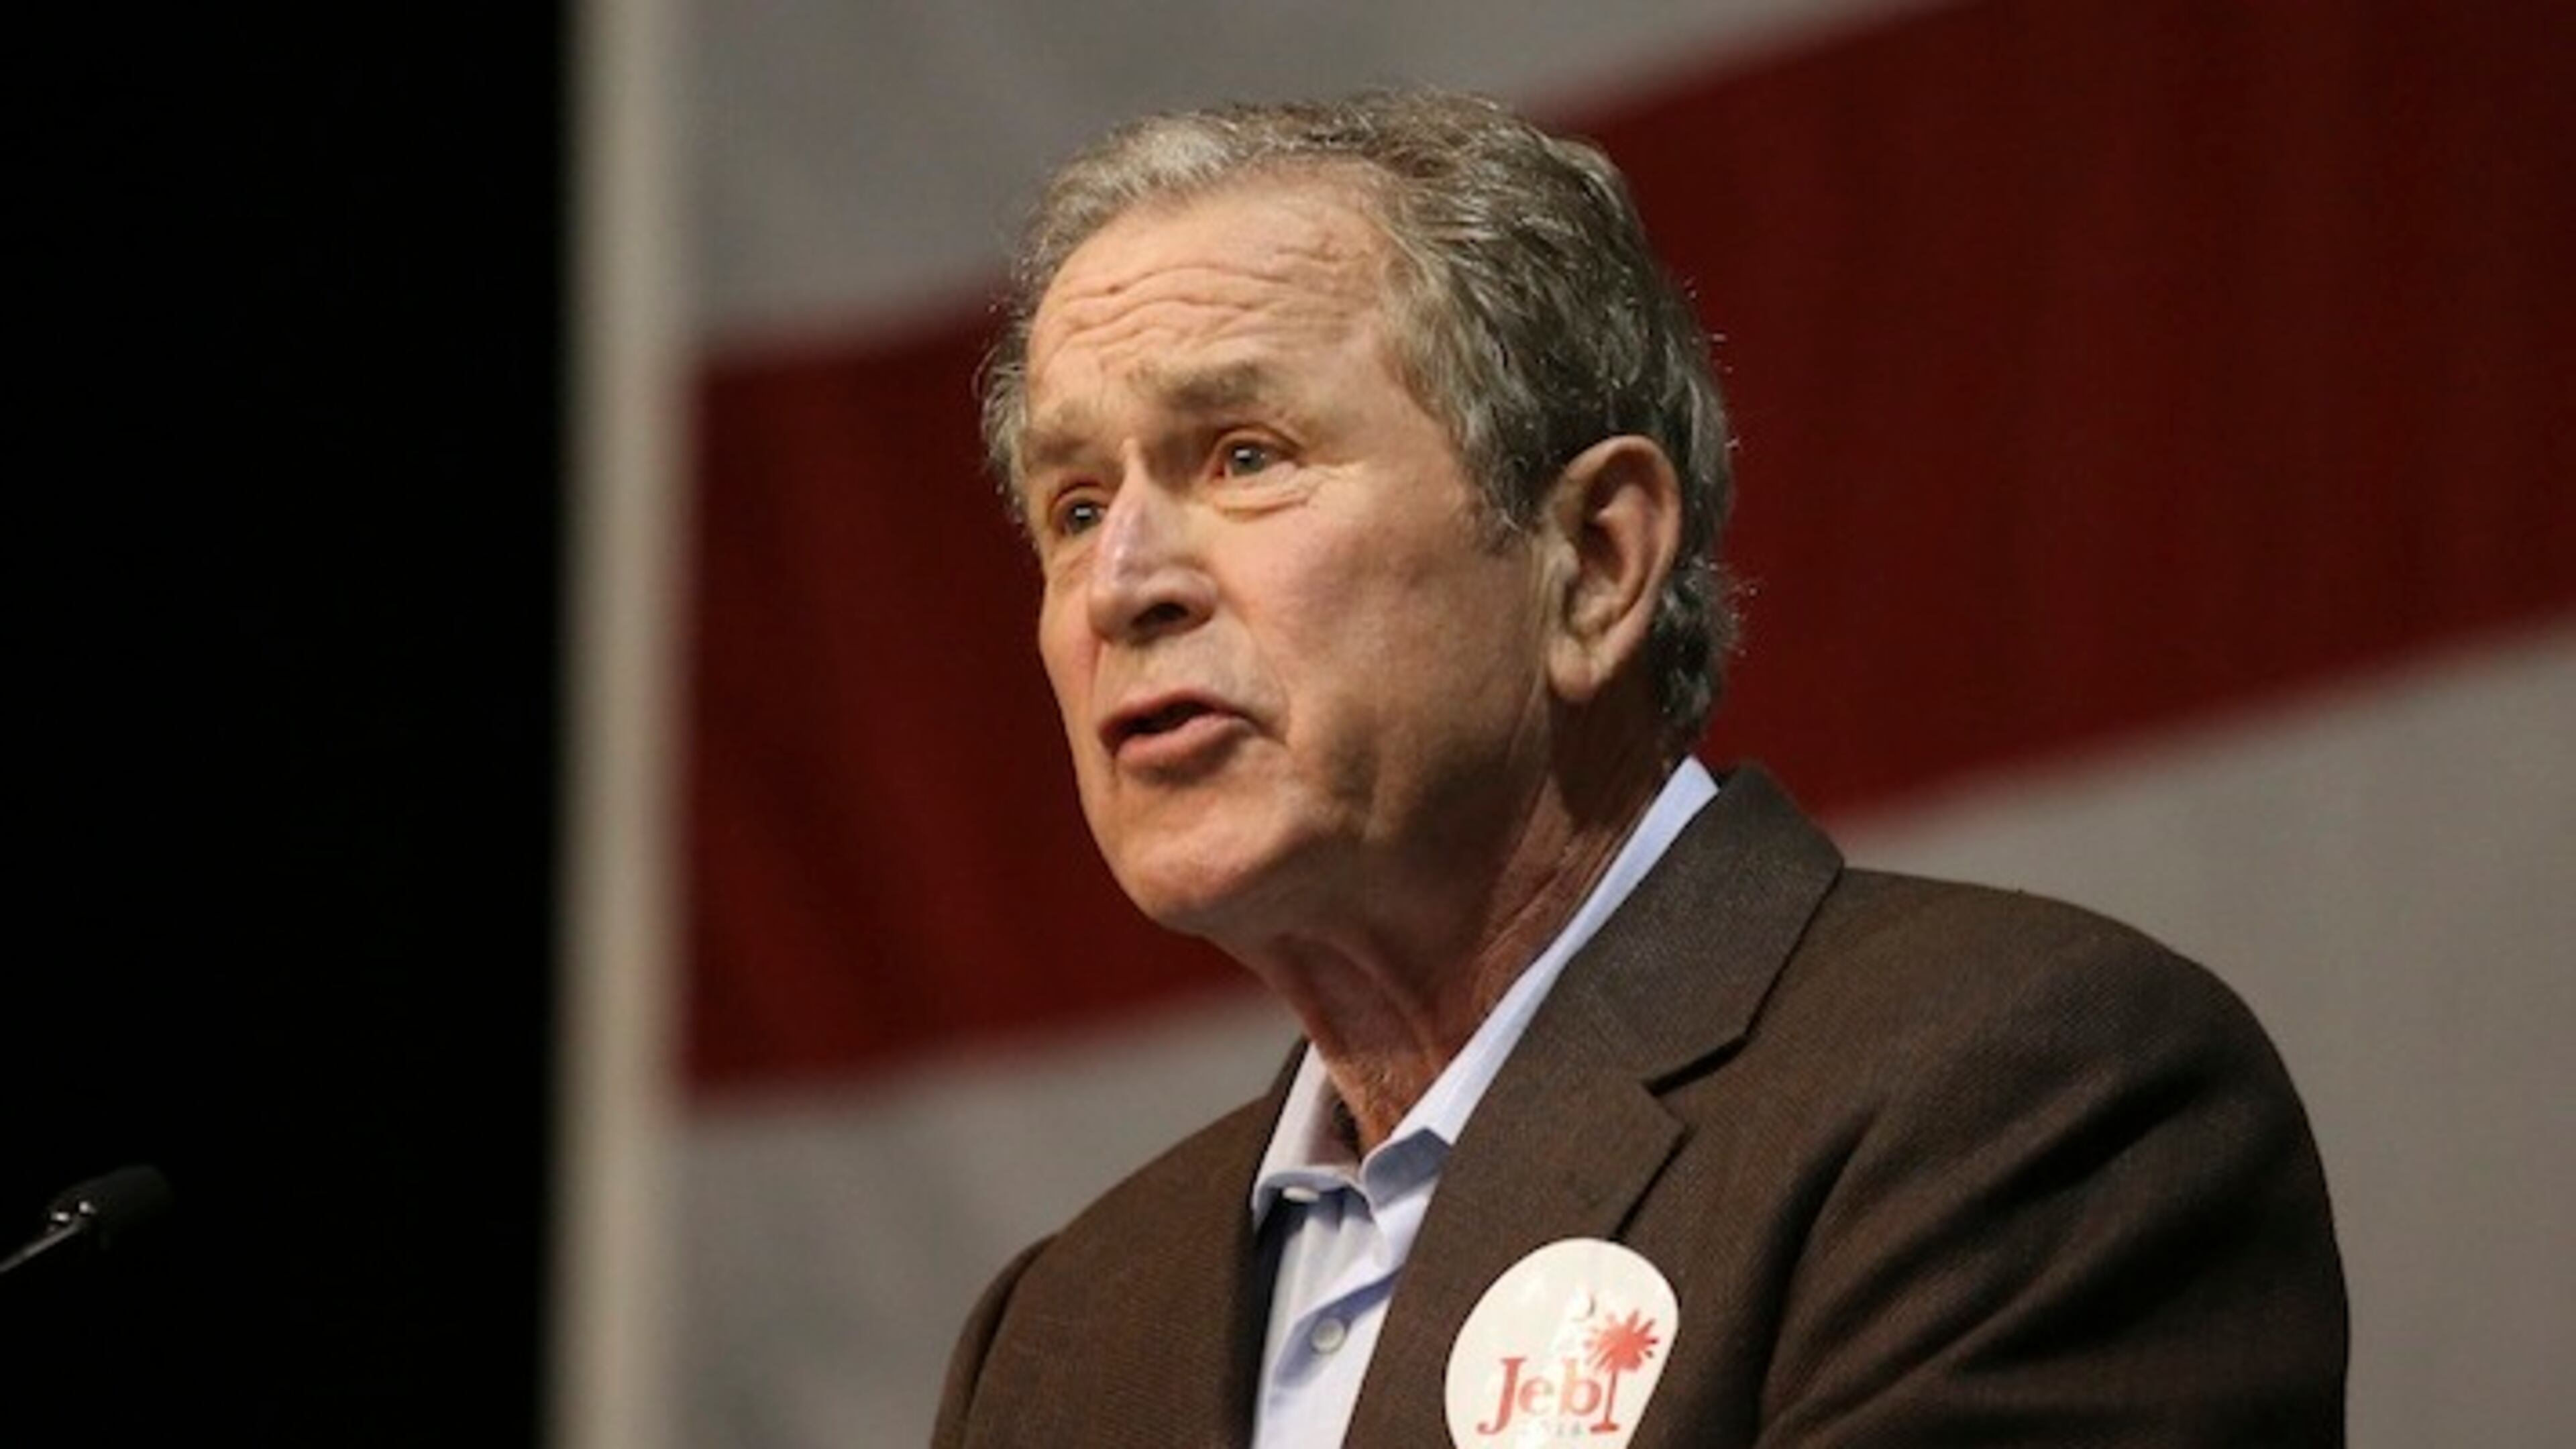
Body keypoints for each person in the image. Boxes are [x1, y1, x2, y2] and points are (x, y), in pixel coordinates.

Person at [933, 90, 2345, 1448]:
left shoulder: (2014, 1105)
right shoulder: (1064, 1333)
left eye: (1246, 457)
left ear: (1595, 564)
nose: (1122, 584)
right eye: (1076, 507)